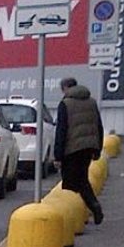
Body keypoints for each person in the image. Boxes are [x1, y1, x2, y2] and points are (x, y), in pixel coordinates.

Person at [54, 77, 105, 224]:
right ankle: (88, 209)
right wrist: (97, 148)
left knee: (70, 182)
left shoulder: (65, 104)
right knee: (82, 178)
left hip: (72, 149)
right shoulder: (92, 102)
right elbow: (98, 126)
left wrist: (58, 156)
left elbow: (61, 130)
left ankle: (79, 213)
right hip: (88, 147)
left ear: (65, 88)